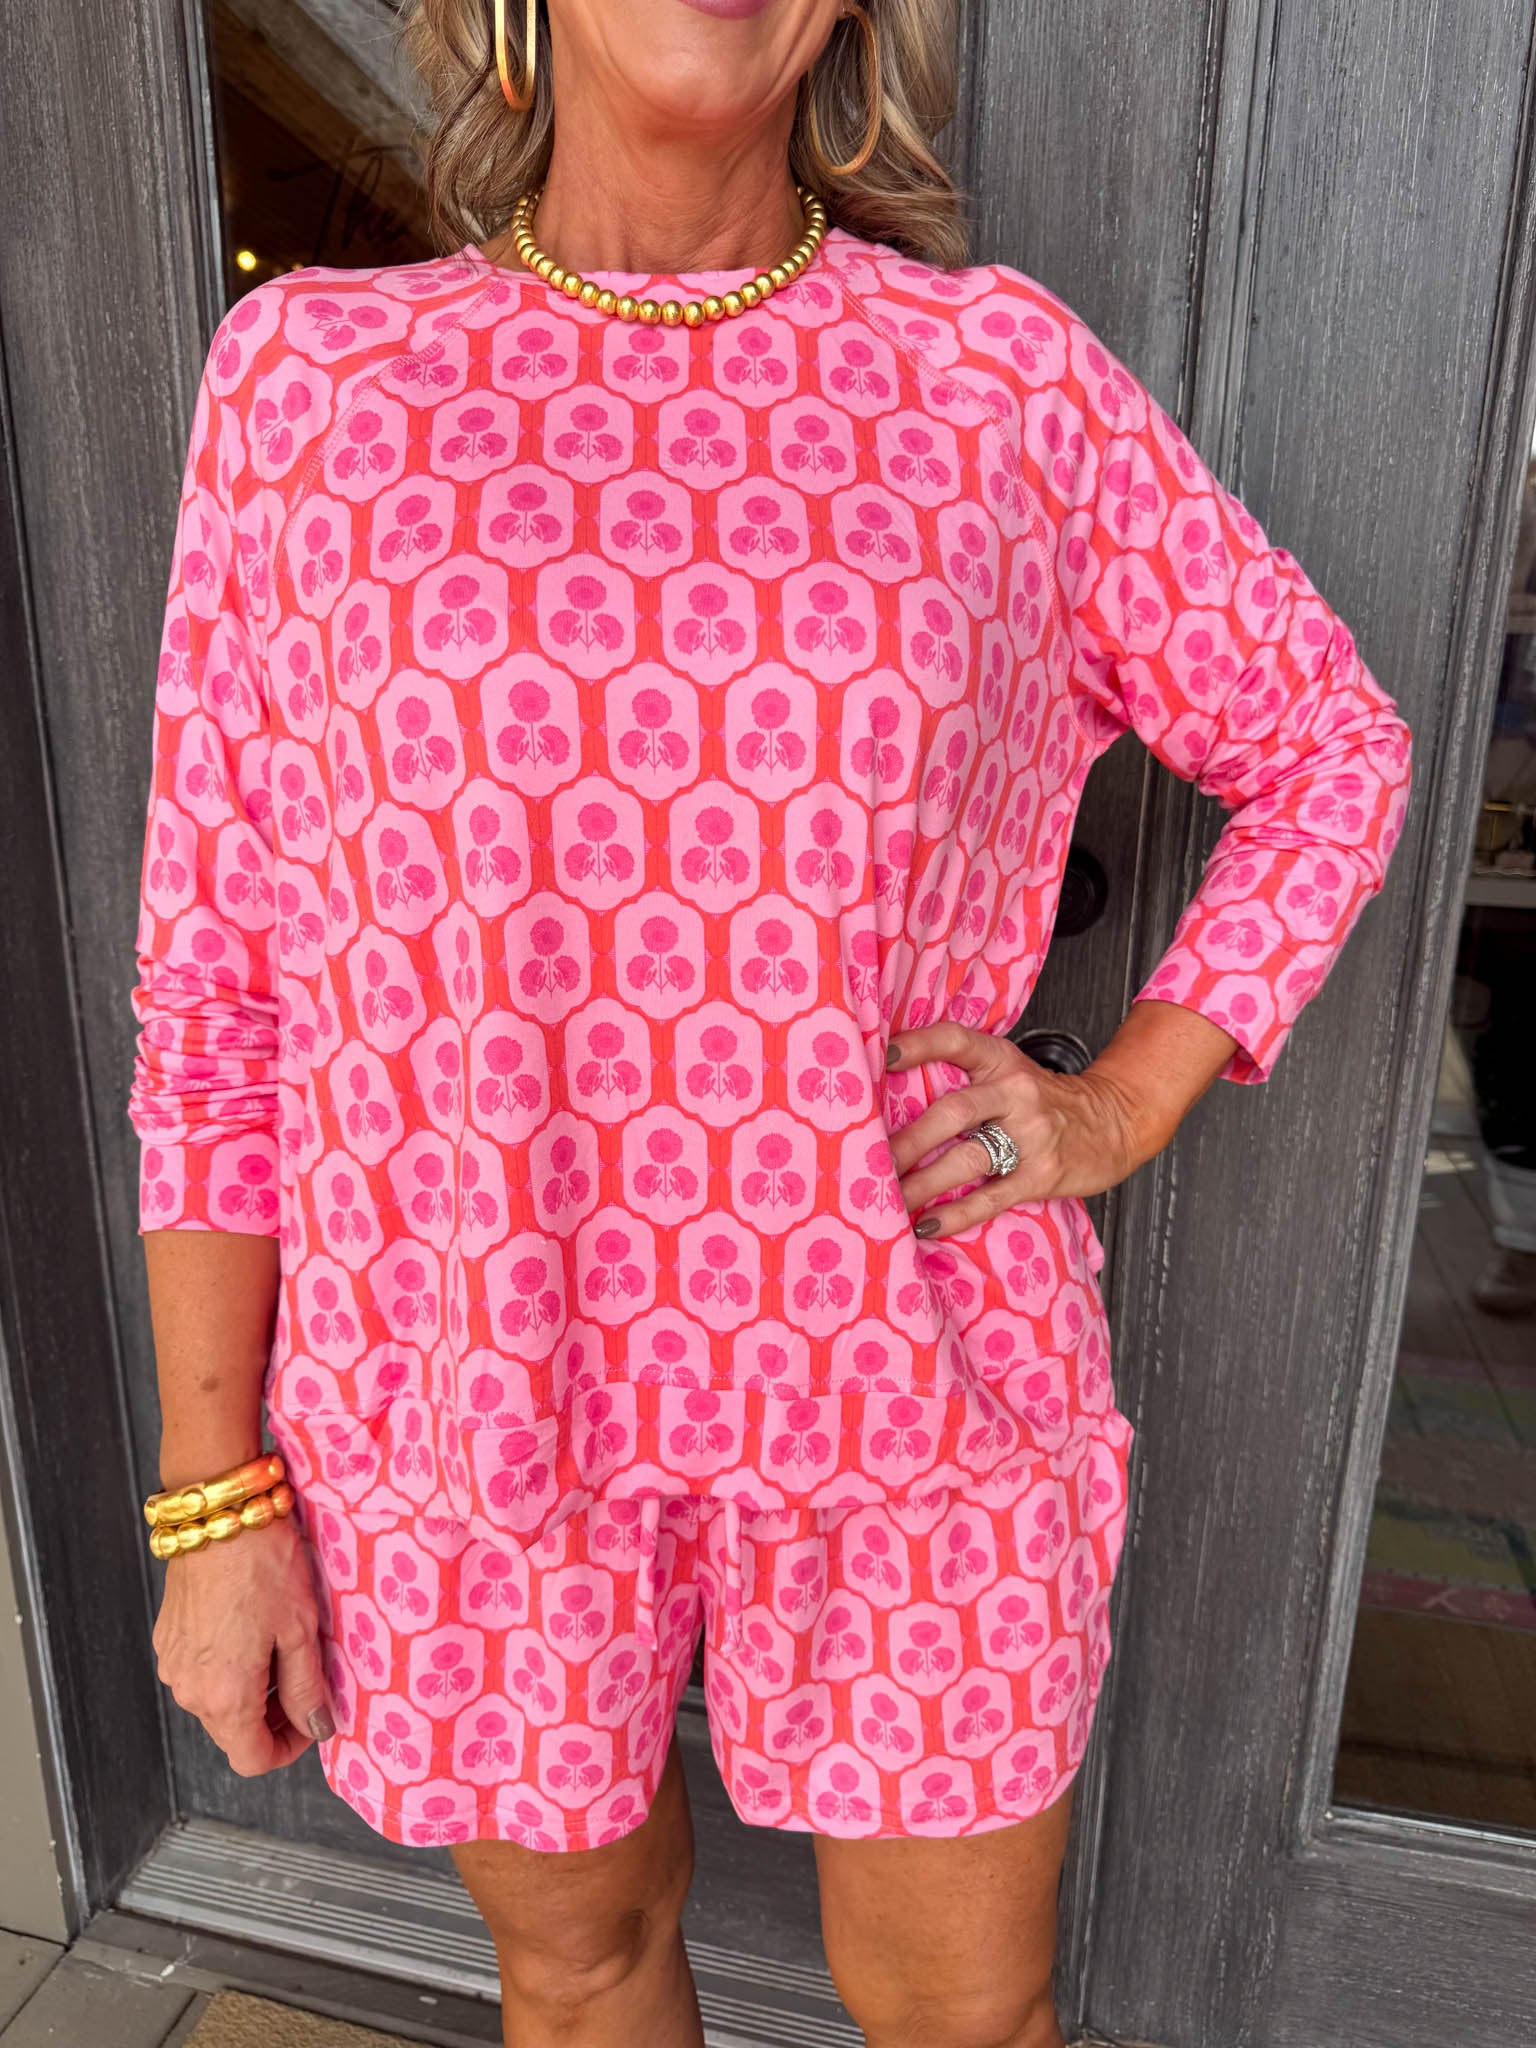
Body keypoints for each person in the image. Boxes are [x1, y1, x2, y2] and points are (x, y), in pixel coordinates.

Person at [129, 1, 1413, 2042]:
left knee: (963, 2019)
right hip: (472, 1387)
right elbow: (220, 982)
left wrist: (1126, 1101)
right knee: (578, 1972)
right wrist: (216, 1502)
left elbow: (1329, 740)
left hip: (909, 1379)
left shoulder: (994, 385)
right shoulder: (314, 389)